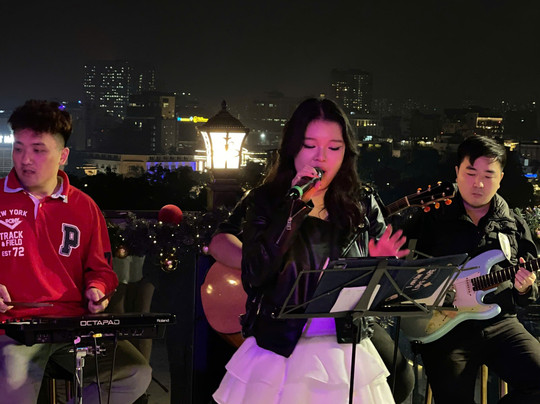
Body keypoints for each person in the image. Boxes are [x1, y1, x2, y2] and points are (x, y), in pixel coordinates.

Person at [212, 98, 411, 404]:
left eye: (334, 147)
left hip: (346, 343)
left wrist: (381, 265)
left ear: (346, 152)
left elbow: (387, 284)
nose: (322, 157)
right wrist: (293, 209)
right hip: (283, 343)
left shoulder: (361, 202)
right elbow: (256, 274)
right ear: (292, 148)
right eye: (309, 145)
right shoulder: (266, 201)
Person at [0, 100, 152, 403]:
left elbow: (102, 270)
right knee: (14, 386)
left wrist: (98, 289)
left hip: (74, 327)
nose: (25, 159)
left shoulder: (84, 206)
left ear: (63, 155)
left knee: (134, 373)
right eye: (18, 148)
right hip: (12, 330)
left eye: (38, 150)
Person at [208, 194, 415, 403]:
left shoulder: (362, 200)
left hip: (343, 322)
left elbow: (381, 264)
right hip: (280, 324)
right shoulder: (269, 196)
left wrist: (383, 264)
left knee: (399, 379)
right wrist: (259, 265)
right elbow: (220, 241)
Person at [398, 135, 540, 404]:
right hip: (443, 327)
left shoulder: (513, 224)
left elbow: (527, 294)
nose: (478, 183)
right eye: (471, 173)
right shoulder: (430, 217)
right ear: (457, 172)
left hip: (501, 323)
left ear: (500, 178)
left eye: (488, 175)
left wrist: (525, 288)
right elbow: (398, 270)